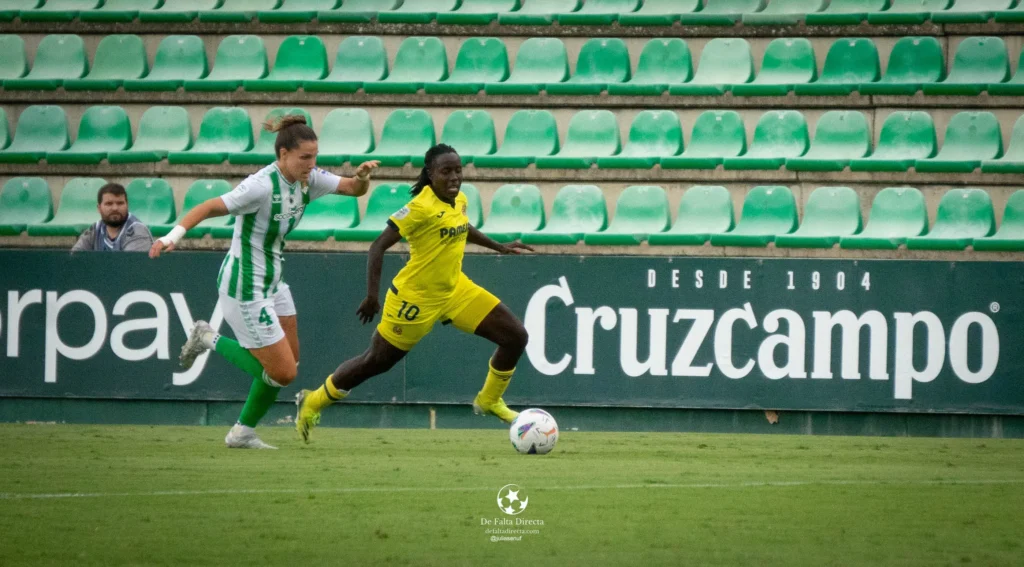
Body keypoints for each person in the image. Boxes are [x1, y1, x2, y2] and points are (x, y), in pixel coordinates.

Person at [149, 115, 380, 449]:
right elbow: (210, 206)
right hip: (245, 286)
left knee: (289, 362)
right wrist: (174, 235)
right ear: (283, 154)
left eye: (315, 157)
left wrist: (362, 177)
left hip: (274, 280)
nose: (312, 164)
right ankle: (207, 336)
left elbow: (352, 189)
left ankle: (242, 432)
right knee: (283, 373)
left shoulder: (307, 179)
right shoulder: (260, 185)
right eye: (305, 157)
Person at [294, 143, 533, 443]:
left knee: (515, 337)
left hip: (455, 289)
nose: (455, 177)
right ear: (431, 175)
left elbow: (462, 226)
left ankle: (489, 401)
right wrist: (372, 296)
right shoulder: (419, 208)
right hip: (414, 300)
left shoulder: (459, 200)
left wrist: (500, 246)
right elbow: (378, 246)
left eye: (458, 170)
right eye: (446, 171)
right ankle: (313, 402)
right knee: (375, 362)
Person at [71, 183, 154, 252]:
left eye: (120, 203)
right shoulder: (95, 229)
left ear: (127, 205)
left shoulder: (137, 230)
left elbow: (130, 267)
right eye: (109, 204)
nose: (115, 208)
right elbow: (75, 258)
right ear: (99, 208)